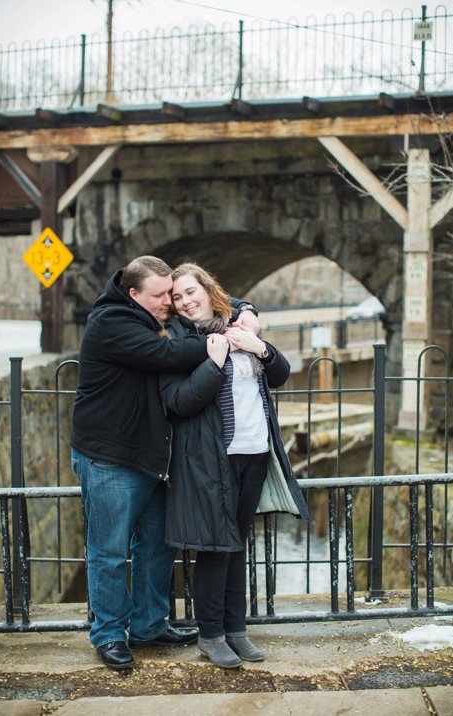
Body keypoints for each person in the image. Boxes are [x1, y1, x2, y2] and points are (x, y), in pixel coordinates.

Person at [71, 255, 259, 671]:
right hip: (110, 455)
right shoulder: (111, 323)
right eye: (160, 297)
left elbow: (215, 299)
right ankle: (108, 634)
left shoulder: (150, 308)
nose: (169, 305)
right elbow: (169, 355)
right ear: (134, 293)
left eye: (170, 296)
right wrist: (223, 340)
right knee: (110, 551)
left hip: (153, 456)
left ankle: (149, 625)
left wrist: (244, 312)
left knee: (157, 545)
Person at [159, 262, 310, 668]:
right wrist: (214, 363)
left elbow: (279, 374)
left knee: (238, 544)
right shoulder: (177, 340)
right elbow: (179, 401)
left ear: (208, 290)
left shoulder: (240, 325)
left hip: (255, 451)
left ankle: (236, 629)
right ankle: (211, 634)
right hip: (212, 458)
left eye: (191, 291)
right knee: (215, 546)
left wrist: (257, 347)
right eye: (177, 297)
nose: (186, 300)